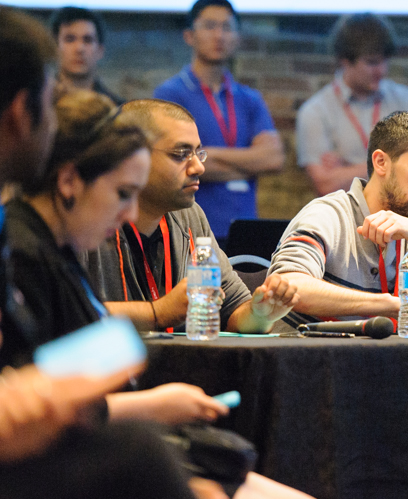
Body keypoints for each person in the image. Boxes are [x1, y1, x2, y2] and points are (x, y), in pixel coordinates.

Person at [0, 9, 201, 499]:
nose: (130, 213)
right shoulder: (25, 245)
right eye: (52, 103)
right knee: (139, 452)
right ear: (22, 112)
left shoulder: (48, 248)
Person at [83, 98, 298, 334]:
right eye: (180, 154)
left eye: (199, 153)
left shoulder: (190, 216)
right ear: (132, 157)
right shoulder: (84, 219)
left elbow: (235, 311)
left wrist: (259, 315)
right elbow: (62, 316)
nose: (198, 167)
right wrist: (157, 313)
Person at [269, 111, 408, 327]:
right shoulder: (328, 214)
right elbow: (287, 286)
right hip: (309, 356)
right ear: (381, 162)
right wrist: (390, 304)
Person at [154, 0, 283, 245]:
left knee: (244, 284)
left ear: (237, 37)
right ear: (189, 35)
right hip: (192, 231)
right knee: (201, 286)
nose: (219, 35)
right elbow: (174, 164)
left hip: (245, 229)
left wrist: (209, 155)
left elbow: (273, 158)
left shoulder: (249, 98)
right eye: (210, 26)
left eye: (227, 27)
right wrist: (249, 163)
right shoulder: (170, 94)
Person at [296, 13, 408, 196]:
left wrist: (346, 169)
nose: (381, 71)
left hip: (402, 220)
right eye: (372, 62)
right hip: (345, 221)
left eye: (385, 61)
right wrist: (395, 161)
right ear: (345, 60)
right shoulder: (316, 111)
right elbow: (325, 185)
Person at [50, 6, 124, 105]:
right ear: (55, 47)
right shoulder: (37, 106)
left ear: (100, 50)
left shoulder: (118, 110)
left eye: (88, 40)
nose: (79, 48)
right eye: (70, 39)